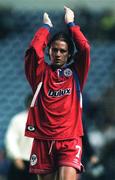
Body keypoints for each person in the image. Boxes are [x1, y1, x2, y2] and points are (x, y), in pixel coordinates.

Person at [24, 6, 90, 180]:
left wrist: (71, 24)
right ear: (49, 51)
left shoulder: (77, 73)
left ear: (69, 55)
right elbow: (33, 52)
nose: (58, 54)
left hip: (70, 139)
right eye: (54, 50)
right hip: (43, 140)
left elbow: (84, 49)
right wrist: (46, 28)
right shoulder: (39, 74)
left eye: (63, 51)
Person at [4, 95, 38, 180]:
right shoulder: (17, 119)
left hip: (39, 164)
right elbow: (10, 140)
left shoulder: (46, 120)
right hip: (21, 161)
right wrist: (16, 157)